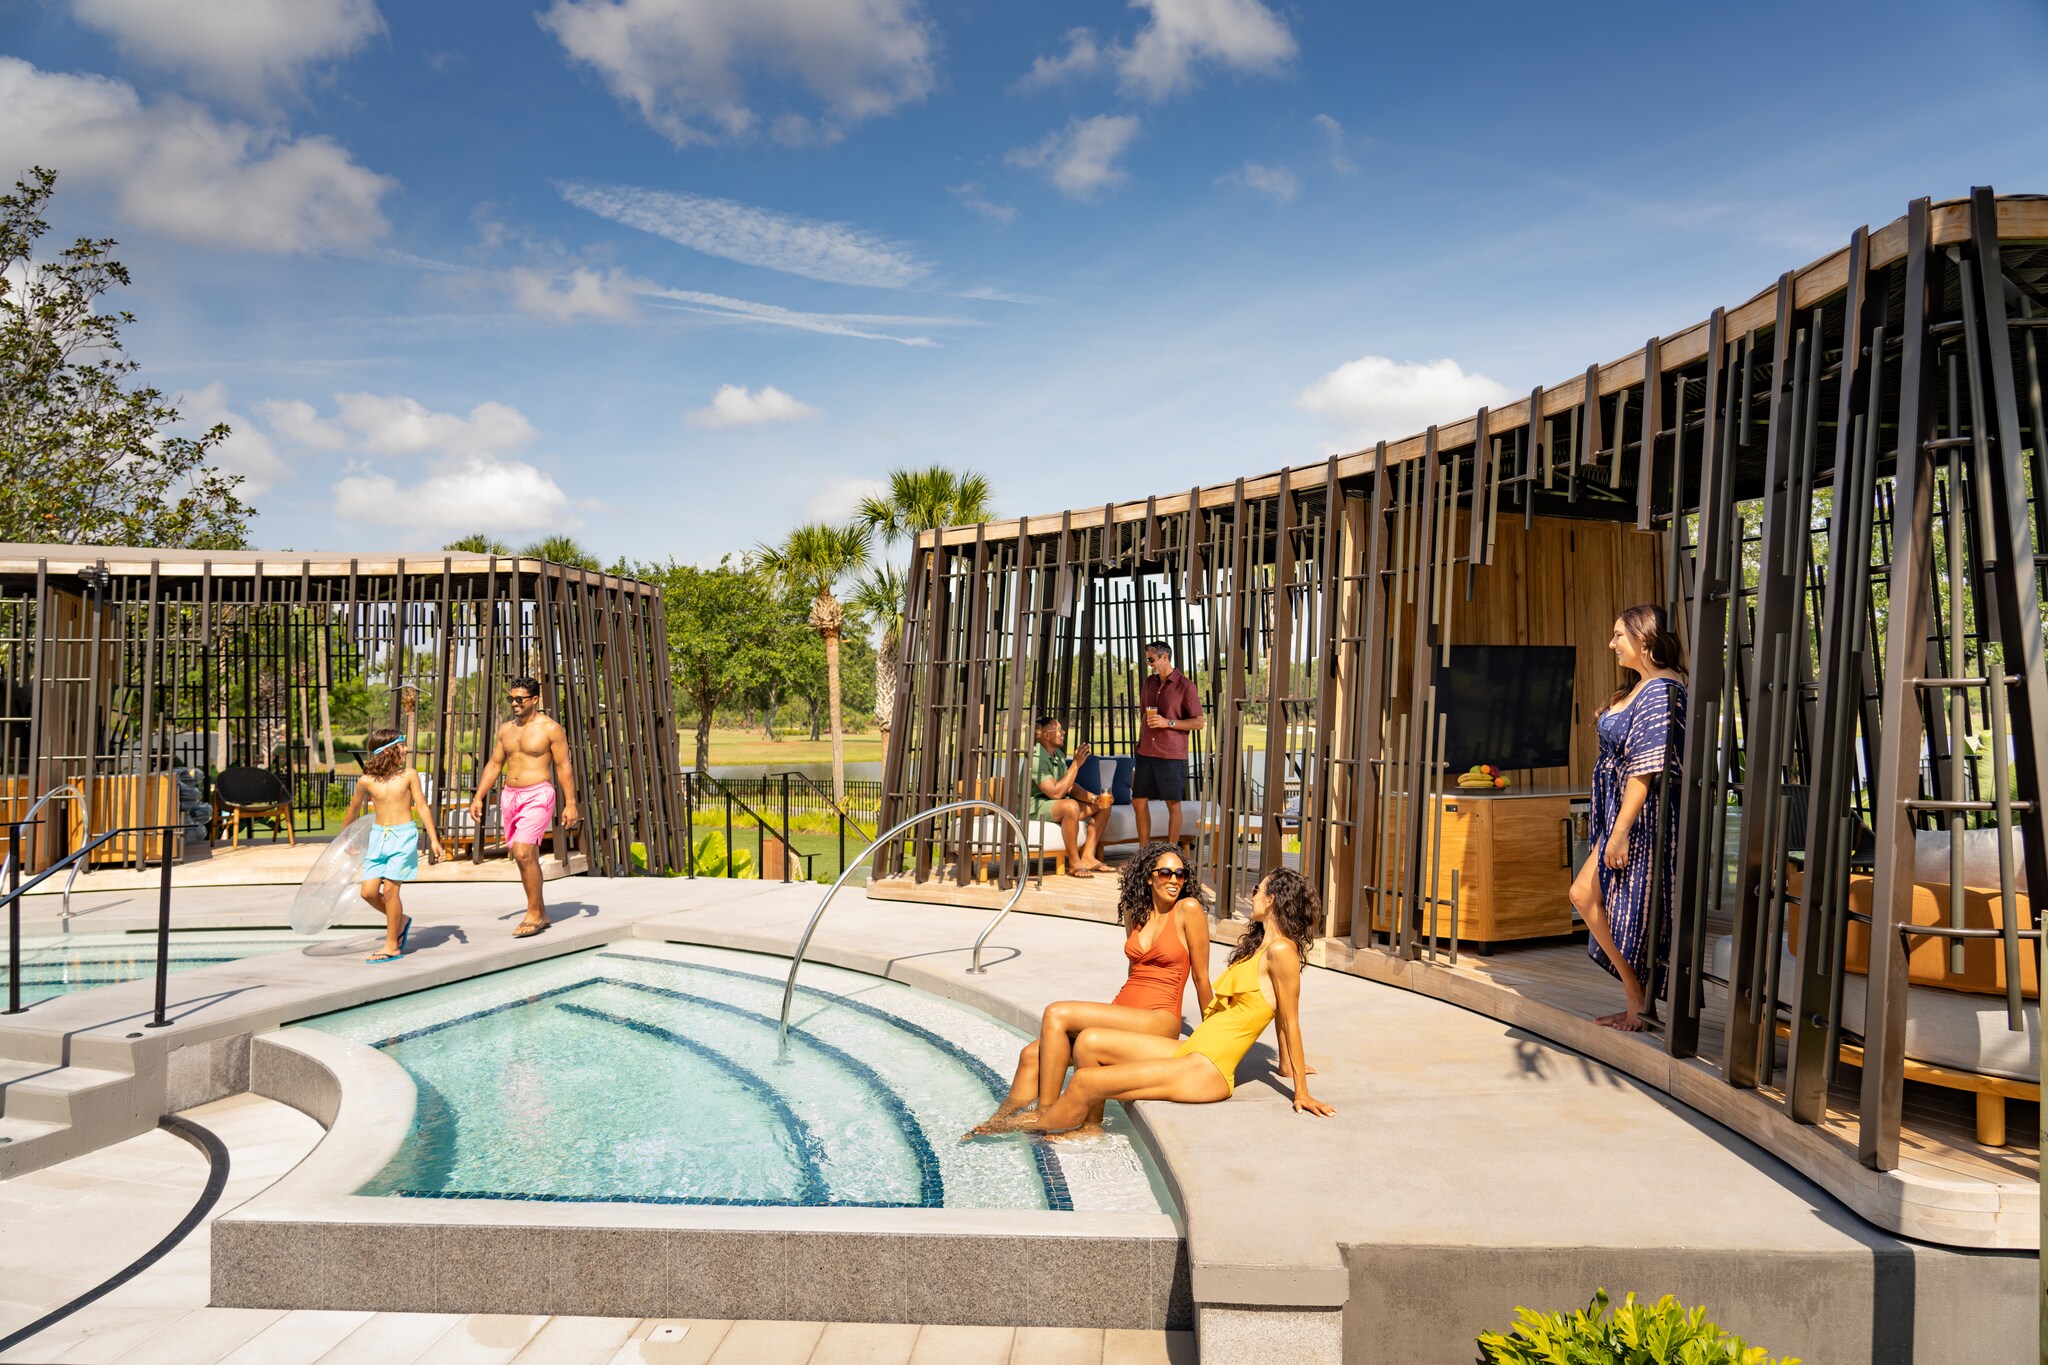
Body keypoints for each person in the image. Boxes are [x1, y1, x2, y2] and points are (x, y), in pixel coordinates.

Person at [999, 866, 1334, 1136]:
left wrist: (1300, 1091)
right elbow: (1275, 1014)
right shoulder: (1259, 947)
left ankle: (1014, 1126)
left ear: (1273, 900)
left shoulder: (1281, 951)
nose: (1253, 896)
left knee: (1086, 1081)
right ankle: (1089, 1128)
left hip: (1208, 1069)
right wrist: (1286, 1065)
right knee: (1089, 1042)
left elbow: (1289, 1018)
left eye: (1257, 890)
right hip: (1192, 1050)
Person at [967, 842, 1213, 1136]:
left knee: (1057, 1013)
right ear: (1150, 876)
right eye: (1165, 873)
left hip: (1158, 1017)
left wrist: (1212, 1040)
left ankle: (1046, 1114)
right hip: (1125, 1011)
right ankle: (1000, 1118)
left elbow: (1201, 978)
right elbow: (1134, 970)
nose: (1173, 880)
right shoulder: (1136, 910)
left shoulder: (1188, 910)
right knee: (1032, 1054)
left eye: (1180, 874)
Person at [1571, 604, 1688, 1032]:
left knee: (1596, 897)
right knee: (1587, 896)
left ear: (1645, 638)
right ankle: (1635, 998)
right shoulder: (1641, 686)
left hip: (1643, 818)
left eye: (1619, 635)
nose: (1611, 643)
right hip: (1620, 813)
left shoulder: (1662, 691)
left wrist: (1620, 833)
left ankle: (1638, 999)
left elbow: (1647, 768)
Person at [469, 676, 580, 938]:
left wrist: (570, 803)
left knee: (522, 852)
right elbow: (495, 764)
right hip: (510, 796)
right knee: (525, 857)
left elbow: (563, 766)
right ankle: (540, 910)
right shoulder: (506, 729)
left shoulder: (550, 728)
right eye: (511, 698)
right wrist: (478, 796)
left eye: (520, 699)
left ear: (535, 700)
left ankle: (532, 915)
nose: (514, 703)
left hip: (538, 794)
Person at [343, 728, 445, 963]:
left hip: (403, 836)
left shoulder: (409, 775)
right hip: (378, 838)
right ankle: (401, 920)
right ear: (389, 750)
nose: (406, 749)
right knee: (368, 892)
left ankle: (392, 945)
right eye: (402, 746)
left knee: (390, 891)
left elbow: (421, 806)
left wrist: (434, 840)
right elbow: (353, 810)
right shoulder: (366, 781)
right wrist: (347, 840)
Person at [1135, 641, 1204, 849]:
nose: (1149, 664)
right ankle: (1143, 852)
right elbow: (1144, 717)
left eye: (1151, 659)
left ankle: (1172, 851)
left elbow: (1199, 722)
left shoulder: (1186, 686)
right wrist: (1139, 745)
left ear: (1165, 658)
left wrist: (1168, 722)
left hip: (1171, 754)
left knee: (1172, 804)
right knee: (1138, 801)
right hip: (1146, 752)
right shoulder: (1149, 683)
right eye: (1147, 659)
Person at [1029, 716, 1113, 877]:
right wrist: (1075, 764)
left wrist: (1093, 798)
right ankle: (1074, 863)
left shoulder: (1058, 754)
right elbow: (1055, 792)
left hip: (1055, 805)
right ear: (1046, 735)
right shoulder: (1036, 759)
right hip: (1034, 807)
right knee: (1070, 806)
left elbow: (1070, 786)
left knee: (1104, 805)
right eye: (1059, 729)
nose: (1063, 732)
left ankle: (1088, 857)